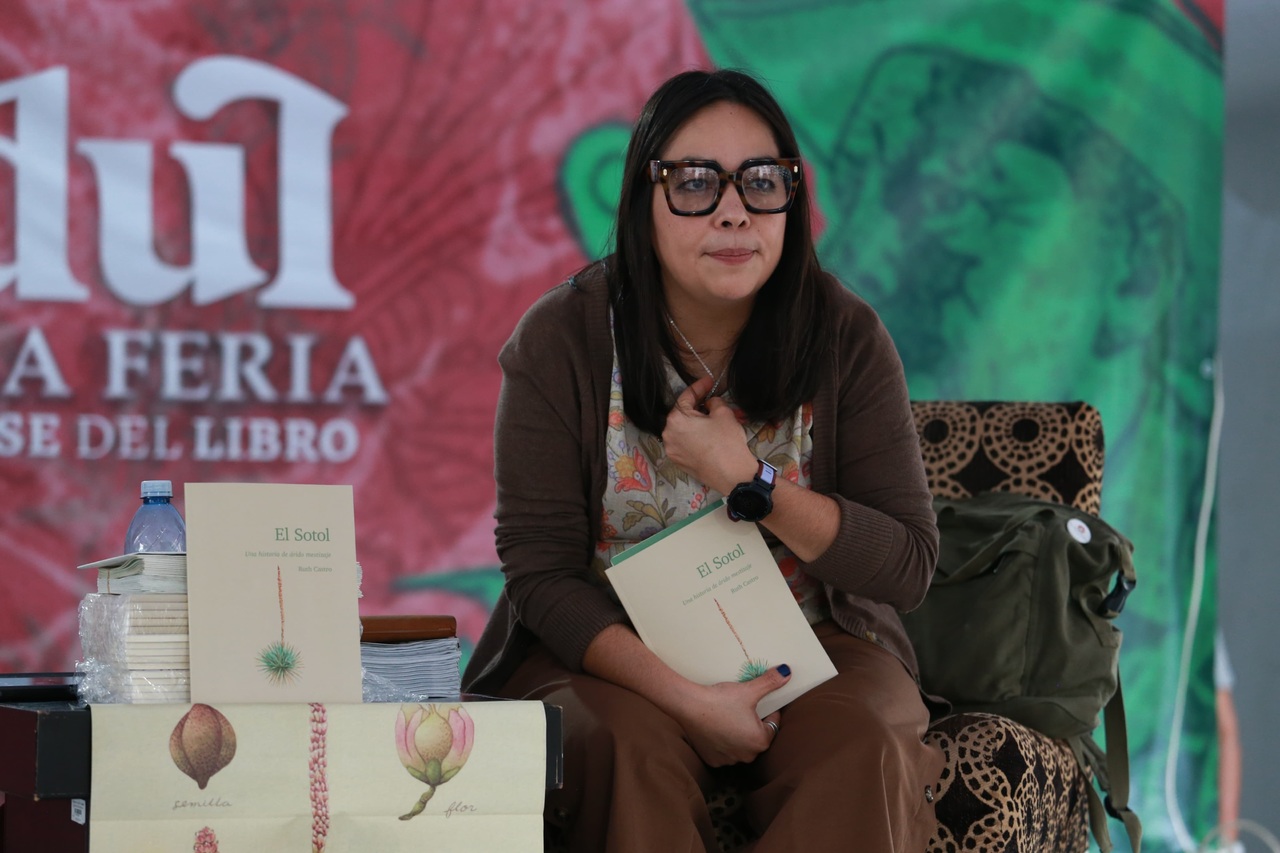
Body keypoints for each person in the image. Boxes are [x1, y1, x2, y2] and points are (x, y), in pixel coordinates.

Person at [463, 68, 945, 852]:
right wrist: (684, 697)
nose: (733, 210)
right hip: (610, 656)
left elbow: (906, 565)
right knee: (620, 748)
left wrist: (748, 480)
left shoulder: (845, 335)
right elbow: (540, 573)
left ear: (791, 198)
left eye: (762, 182)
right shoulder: (561, 338)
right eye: (694, 182)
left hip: (813, 644)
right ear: (641, 199)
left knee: (862, 744)